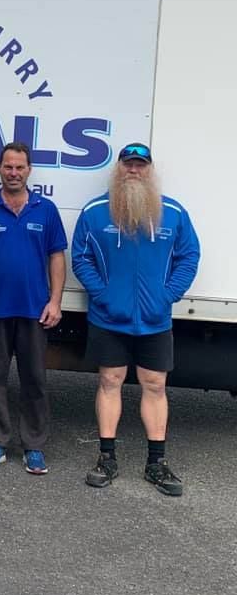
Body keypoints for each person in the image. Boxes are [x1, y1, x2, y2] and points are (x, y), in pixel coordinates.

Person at [72, 142, 200, 496]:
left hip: (155, 320)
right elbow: (81, 257)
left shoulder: (173, 212)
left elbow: (189, 256)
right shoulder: (95, 211)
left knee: (155, 385)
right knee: (109, 381)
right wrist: (103, 294)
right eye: (128, 163)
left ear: (150, 170)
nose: (133, 170)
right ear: (118, 168)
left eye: (140, 164)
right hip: (108, 317)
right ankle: (106, 458)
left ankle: (156, 463)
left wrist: (167, 295)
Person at [0, 142, 67, 475]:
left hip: (35, 309)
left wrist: (55, 301)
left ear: (29, 170)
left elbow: (56, 256)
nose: (14, 173)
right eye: (8, 166)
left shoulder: (45, 210)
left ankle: (34, 446)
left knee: (34, 379)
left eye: (20, 167)